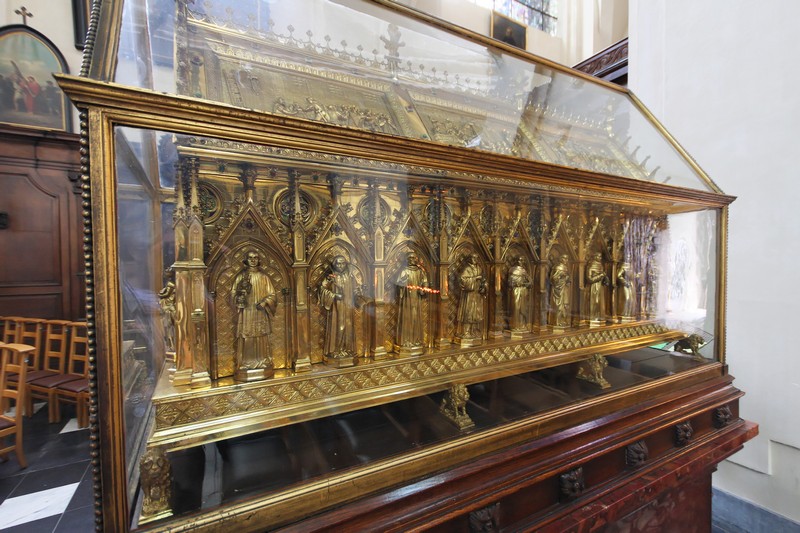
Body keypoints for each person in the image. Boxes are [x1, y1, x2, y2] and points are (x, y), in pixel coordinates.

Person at [231, 251, 277, 375]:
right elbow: (234, 293)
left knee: (261, 335)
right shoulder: (241, 276)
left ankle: (263, 361)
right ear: (246, 260)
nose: (253, 260)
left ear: (259, 260)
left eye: (255, 258)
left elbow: (272, 295)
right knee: (247, 335)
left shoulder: (264, 277)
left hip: (260, 312)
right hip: (247, 312)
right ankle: (246, 363)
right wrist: (239, 298)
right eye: (250, 258)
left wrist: (265, 302)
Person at [319, 255, 362, 358]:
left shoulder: (350, 276)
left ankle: (348, 349)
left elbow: (355, 289)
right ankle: (336, 350)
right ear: (334, 264)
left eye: (343, 263)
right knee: (338, 326)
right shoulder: (331, 277)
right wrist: (334, 296)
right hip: (336, 308)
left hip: (348, 306)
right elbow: (322, 290)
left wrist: (359, 293)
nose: (341, 266)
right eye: (338, 263)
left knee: (348, 326)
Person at [395, 252, 429, 352]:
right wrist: (403, 282)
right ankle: (407, 340)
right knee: (407, 318)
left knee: (416, 318)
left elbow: (425, 281)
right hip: (407, 299)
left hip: (417, 299)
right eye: (410, 258)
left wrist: (424, 289)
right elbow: (399, 283)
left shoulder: (420, 271)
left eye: (414, 258)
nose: (412, 260)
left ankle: (416, 340)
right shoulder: (404, 271)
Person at [457, 254, 486, 340]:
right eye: (473, 258)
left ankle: (473, 331)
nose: (475, 259)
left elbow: (483, 280)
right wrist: (475, 278)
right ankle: (466, 332)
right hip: (469, 295)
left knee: (476, 314)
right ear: (470, 259)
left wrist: (483, 286)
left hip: (477, 295)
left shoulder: (479, 268)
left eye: (476, 258)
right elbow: (463, 280)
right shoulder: (467, 269)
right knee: (468, 313)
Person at [507, 256, 531, 332]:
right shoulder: (512, 270)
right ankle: (515, 326)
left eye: (522, 260)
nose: (521, 262)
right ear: (516, 261)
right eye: (520, 260)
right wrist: (516, 283)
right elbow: (510, 282)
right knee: (516, 308)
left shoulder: (523, 270)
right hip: (516, 291)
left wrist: (526, 284)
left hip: (523, 291)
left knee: (522, 308)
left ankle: (522, 325)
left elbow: (530, 281)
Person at [549, 255, 571, 327]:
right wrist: (561, 276)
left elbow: (567, 279)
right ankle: (556, 322)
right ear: (561, 259)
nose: (566, 260)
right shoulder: (558, 267)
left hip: (564, 288)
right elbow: (553, 279)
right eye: (565, 258)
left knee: (565, 305)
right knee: (558, 305)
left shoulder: (565, 267)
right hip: (558, 289)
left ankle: (563, 320)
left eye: (567, 258)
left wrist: (567, 279)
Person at [586, 253, 607, 323]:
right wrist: (600, 276)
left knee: (600, 303)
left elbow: (602, 276)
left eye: (601, 256)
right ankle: (593, 317)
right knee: (595, 301)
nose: (600, 258)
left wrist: (604, 278)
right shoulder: (591, 265)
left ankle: (599, 317)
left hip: (600, 286)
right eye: (599, 256)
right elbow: (589, 279)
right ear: (595, 257)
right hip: (593, 286)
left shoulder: (601, 265)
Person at [157, 281, 176, 353]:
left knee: (172, 330)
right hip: (167, 316)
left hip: (172, 315)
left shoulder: (174, 293)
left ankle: (173, 346)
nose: (168, 290)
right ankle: (171, 346)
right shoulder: (163, 300)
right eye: (167, 288)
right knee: (168, 331)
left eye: (169, 289)